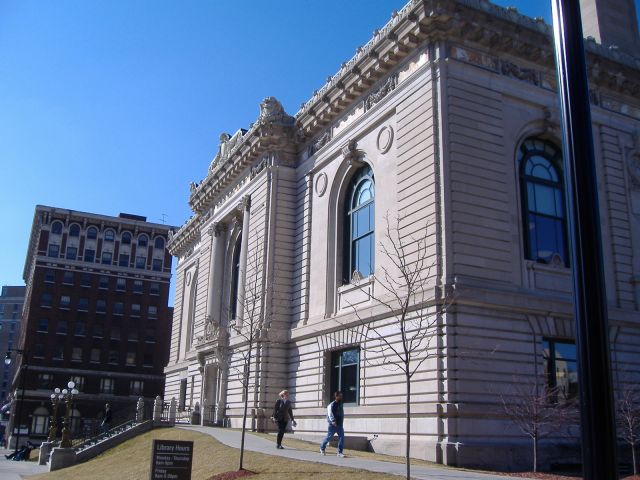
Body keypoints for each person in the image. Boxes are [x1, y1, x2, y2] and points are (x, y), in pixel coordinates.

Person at [320, 390, 345, 457]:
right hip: (332, 425)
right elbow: (330, 414)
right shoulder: (331, 405)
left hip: (340, 425)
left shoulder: (341, 404)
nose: (341, 397)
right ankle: (322, 448)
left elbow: (341, 414)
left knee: (341, 437)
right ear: (336, 396)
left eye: (341, 396)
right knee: (329, 437)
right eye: (340, 396)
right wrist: (333, 421)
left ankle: (340, 452)